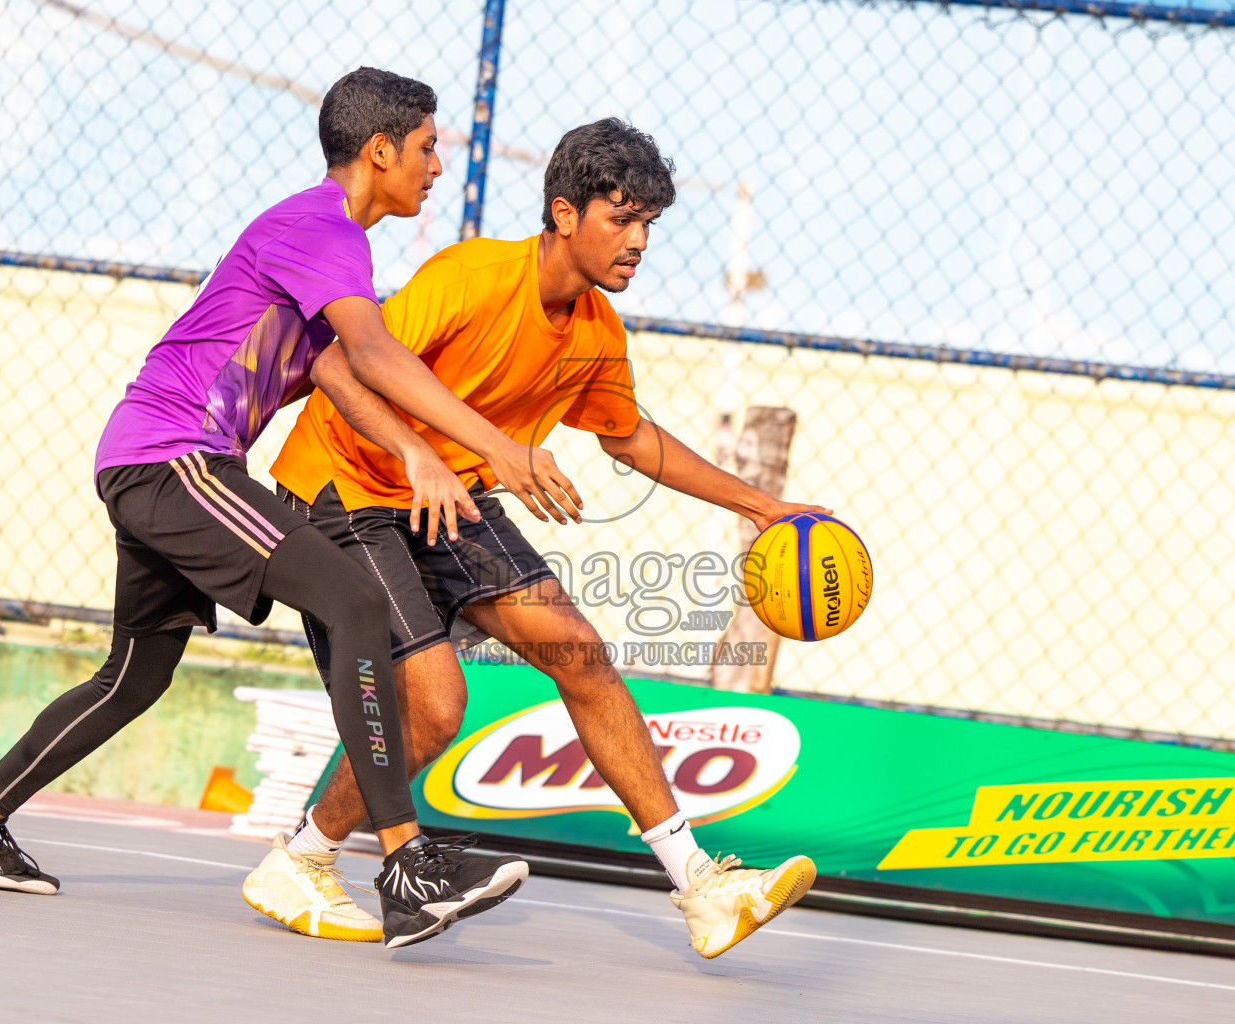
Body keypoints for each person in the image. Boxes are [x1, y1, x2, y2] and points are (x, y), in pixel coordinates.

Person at [0, 68, 581, 950]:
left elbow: (339, 370)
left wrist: (413, 451)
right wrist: (497, 447)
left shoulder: (325, 251)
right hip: (176, 457)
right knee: (358, 600)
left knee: (134, 676)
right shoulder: (318, 226)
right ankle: (408, 863)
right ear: (380, 150)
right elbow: (370, 347)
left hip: (151, 458)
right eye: (427, 147)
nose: (438, 167)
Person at [243, 118, 824, 959]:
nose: (638, 243)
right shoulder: (472, 277)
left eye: (649, 225)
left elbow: (631, 440)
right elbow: (344, 363)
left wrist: (767, 508)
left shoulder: (596, 333)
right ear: (563, 214)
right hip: (345, 487)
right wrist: (452, 452)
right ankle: (303, 858)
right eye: (620, 220)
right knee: (437, 704)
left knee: (579, 651)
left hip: (453, 495)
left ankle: (701, 884)